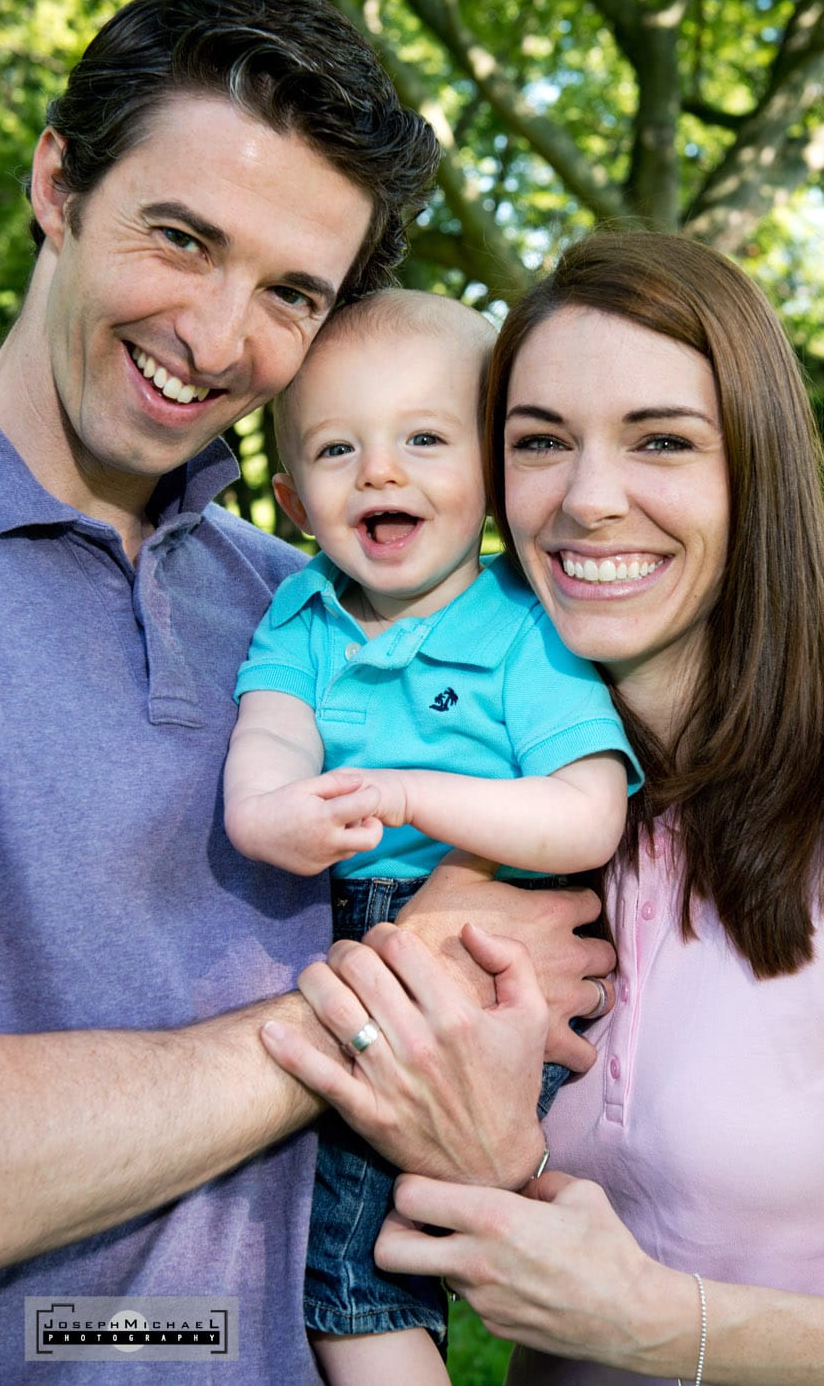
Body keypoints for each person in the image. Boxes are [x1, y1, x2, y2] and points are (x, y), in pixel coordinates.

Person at [0, 0, 618, 1383]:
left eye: (291, 292)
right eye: (182, 238)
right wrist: (388, 991)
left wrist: (485, 1114)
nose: (220, 335)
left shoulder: (298, 603)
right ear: (59, 183)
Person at [262, 231, 824, 1384]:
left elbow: (620, 1297)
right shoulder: (505, 835)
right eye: (539, 443)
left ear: (755, 468)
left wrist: (662, 1324)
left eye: (660, 440)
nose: (588, 500)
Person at [224, 288, 643, 1385]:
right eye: (336, 447)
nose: (380, 470)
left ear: (491, 483)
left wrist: (410, 796)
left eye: (423, 438)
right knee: (320, 1230)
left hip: (481, 956)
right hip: (343, 933)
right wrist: (266, 811)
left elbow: (586, 811)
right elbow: (267, 740)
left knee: (352, 1271)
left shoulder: (521, 626)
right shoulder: (302, 613)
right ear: (291, 497)